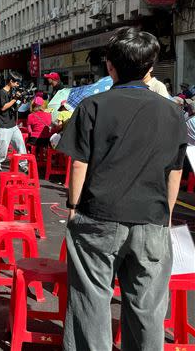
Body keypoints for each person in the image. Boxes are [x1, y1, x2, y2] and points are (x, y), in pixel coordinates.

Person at [57, 27, 187, 350]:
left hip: (98, 217)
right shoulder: (173, 113)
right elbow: (175, 169)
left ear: (110, 66)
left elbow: (78, 164)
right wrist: (167, 213)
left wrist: (73, 205)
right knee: (147, 308)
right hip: (153, 219)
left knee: (91, 301)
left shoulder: (92, 106)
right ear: (150, 68)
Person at [0, 71, 28, 171]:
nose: (17, 85)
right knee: (3, 147)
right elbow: (3, 107)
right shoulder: (1, 93)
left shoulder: (12, 91)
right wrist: (15, 99)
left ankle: (23, 164)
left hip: (13, 124)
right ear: (11, 81)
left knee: (20, 143)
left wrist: (20, 99)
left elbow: (14, 106)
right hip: (2, 124)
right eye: (16, 83)